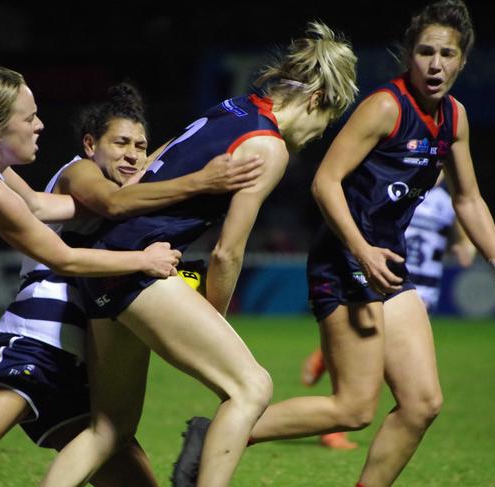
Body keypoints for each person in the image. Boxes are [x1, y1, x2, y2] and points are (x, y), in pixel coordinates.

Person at [175, 2, 495, 486]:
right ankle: (217, 433)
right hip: (345, 260)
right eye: (425, 51)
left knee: (423, 403)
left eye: (447, 54)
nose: (435, 64)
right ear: (408, 54)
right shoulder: (385, 106)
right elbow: (325, 182)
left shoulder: (454, 119)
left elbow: (468, 198)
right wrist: (361, 248)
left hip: (387, 264)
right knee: (353, 408)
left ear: (463, 61)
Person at [0, 82, 260, 487]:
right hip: (37, 342)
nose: (132, 154)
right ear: (90, 145)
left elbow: (69, 204)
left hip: (80, 360)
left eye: (140, 146)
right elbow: (110, 207)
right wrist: (203, 180)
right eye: (120, 142)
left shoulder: (131, 200)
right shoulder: (82, 173)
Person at [39, 21, 359, 487]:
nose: (317, 135)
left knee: (108, 427)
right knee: (252, 387)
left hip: (104, 260)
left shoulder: (232, 108)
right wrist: (215, 317)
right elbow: (228, 252)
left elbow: (148, 169)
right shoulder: (268, 147)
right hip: (140, 264)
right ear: (315, 101)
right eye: (326, 123)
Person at [299, 174, 476, 451]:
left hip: (426, 287)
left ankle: (328, 359)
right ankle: (334, 426)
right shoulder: (401, 192)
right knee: (371, 365)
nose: (437, 169)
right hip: (391, 279)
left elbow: (463, 229)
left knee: (390, 361)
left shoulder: (445, 203)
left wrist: (466, 244)